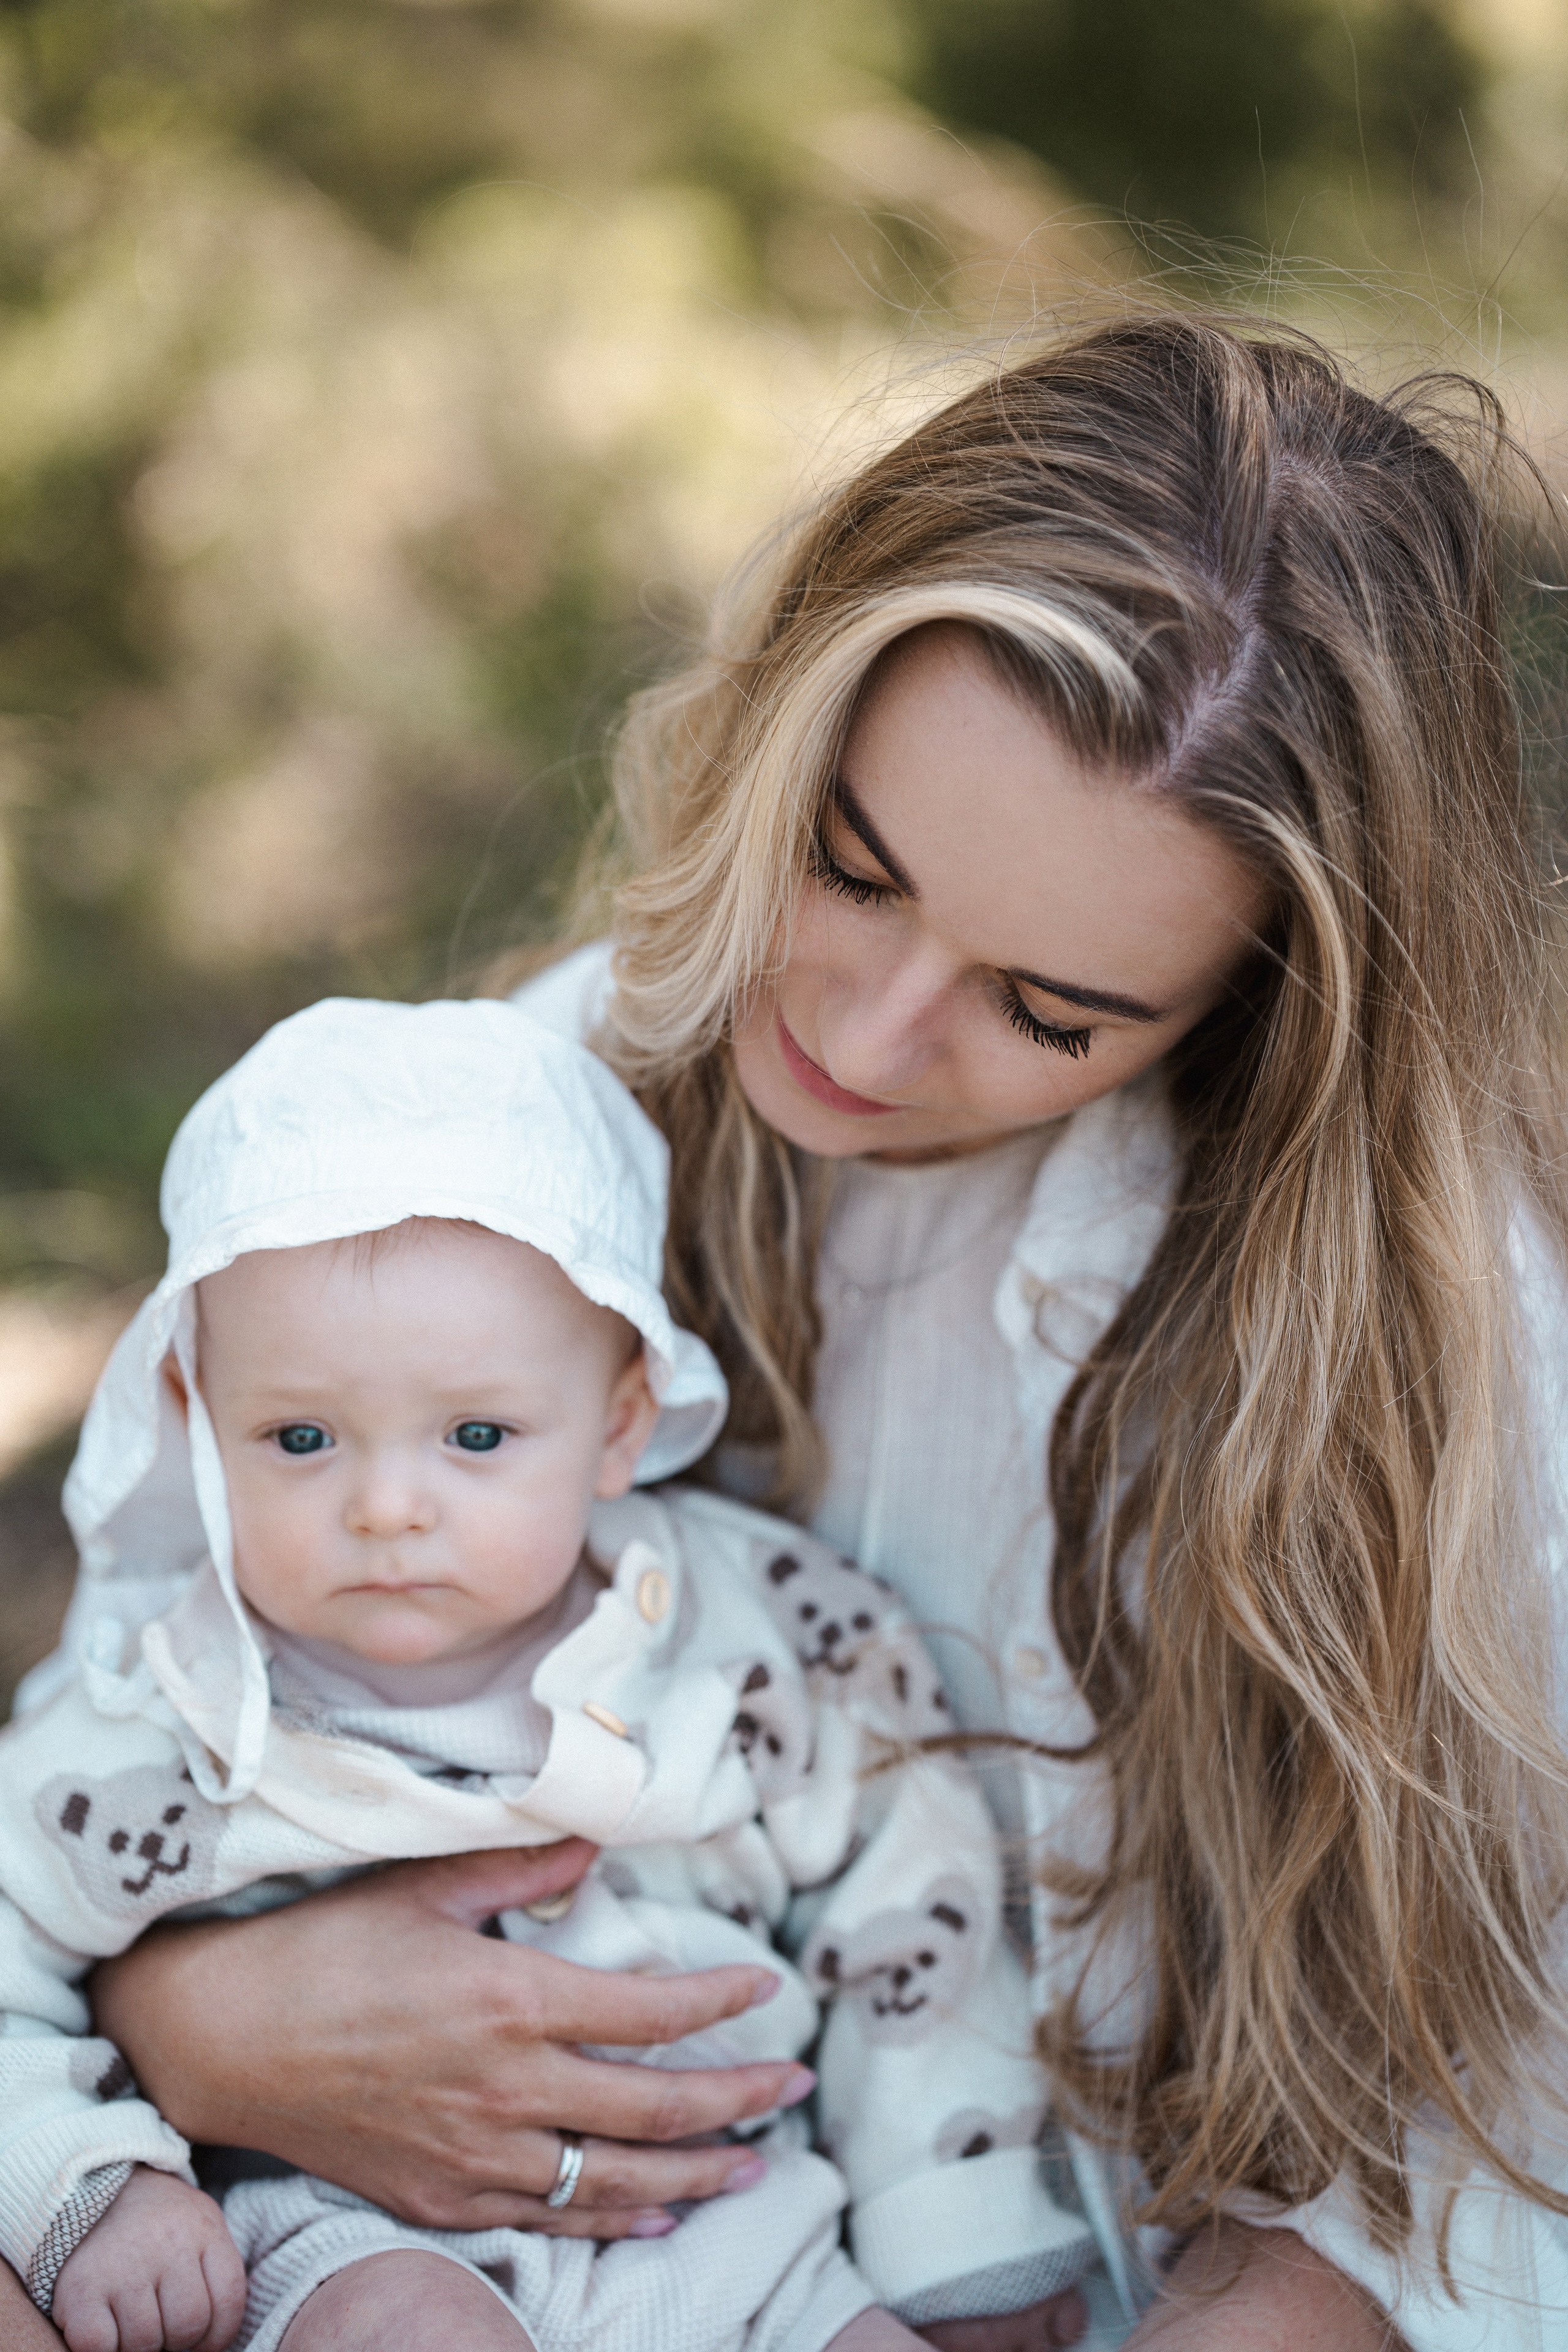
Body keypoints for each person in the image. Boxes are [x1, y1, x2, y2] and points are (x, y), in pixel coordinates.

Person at [6, 311, 1567, 2351]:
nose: (859, 1029)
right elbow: (144, 1707)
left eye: (1049, 1012)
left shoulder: (1451, 1386)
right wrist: (183, 2024)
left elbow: (1460, 2195)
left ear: (1261, 1015)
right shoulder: (502, 1148)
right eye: (851, 867)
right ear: (780, 712)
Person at [0, 995, 1089, 2352]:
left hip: (746, 2229)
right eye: (297, 1439)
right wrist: (87, 2185)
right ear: (194, 1420)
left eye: (473, 1433)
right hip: (353, 2238)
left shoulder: (760, 1641)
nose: (387, 1506)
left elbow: (912, 1907)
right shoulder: (165, 1712)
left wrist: (956, 2224)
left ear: (619, 1425)